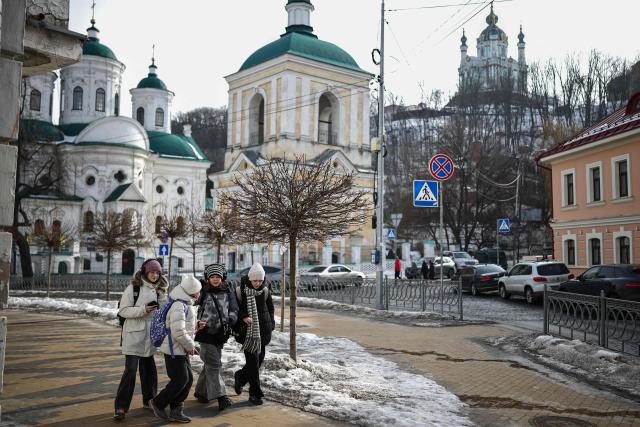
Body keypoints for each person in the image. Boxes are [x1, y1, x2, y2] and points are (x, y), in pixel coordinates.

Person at [114, 259, 168, 421]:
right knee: (130, 371)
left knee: (149, 370)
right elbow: (123, 311)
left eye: (157, 272)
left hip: (150, 336)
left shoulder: (161, 290)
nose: (154, 275)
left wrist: (162, 302)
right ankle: (121, 407)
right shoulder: (133, 288)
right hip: (133, 335)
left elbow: (164, 312)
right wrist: (143, 310)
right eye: (152, 272)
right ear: (145, 272)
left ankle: (149, 400)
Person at [150, 275, 202, 423]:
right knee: (180, 379)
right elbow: (178, 331)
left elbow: (184, 324)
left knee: (188, 379)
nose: (199, 294)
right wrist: (190, 346)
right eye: (198, 291)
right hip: (174, 350)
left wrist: (197, 325)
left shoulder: (185, 303)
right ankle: (158, 402)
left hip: (180, 349)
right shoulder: (179, 305)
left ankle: (176, 410)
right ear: (191, 292)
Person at [193, 264, 239, 411]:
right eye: (212, 277)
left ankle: (201, 392)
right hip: (205, 332)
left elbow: (234, 309)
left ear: (222, 277)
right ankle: (221, 397)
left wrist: (230, 320)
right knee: (214, 365)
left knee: (210, 364)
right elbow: (191, 307)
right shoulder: (202, 291)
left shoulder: (228, 291)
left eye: (218, 277)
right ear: (208, 278)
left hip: (221, 334)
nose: (215, 279)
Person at [233, 263, 275, 406]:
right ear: (250, 279)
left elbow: (270, 308)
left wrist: (272, 324)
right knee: (253, 363)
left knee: (259, 361)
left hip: (262, 331)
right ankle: (254, 394)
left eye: (260, 280)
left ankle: (240, 377)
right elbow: (234, 309)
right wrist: (243, 316)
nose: (258, 283)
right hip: (248, 333)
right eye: (255, 280)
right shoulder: (240, 291)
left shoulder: (265, 290)